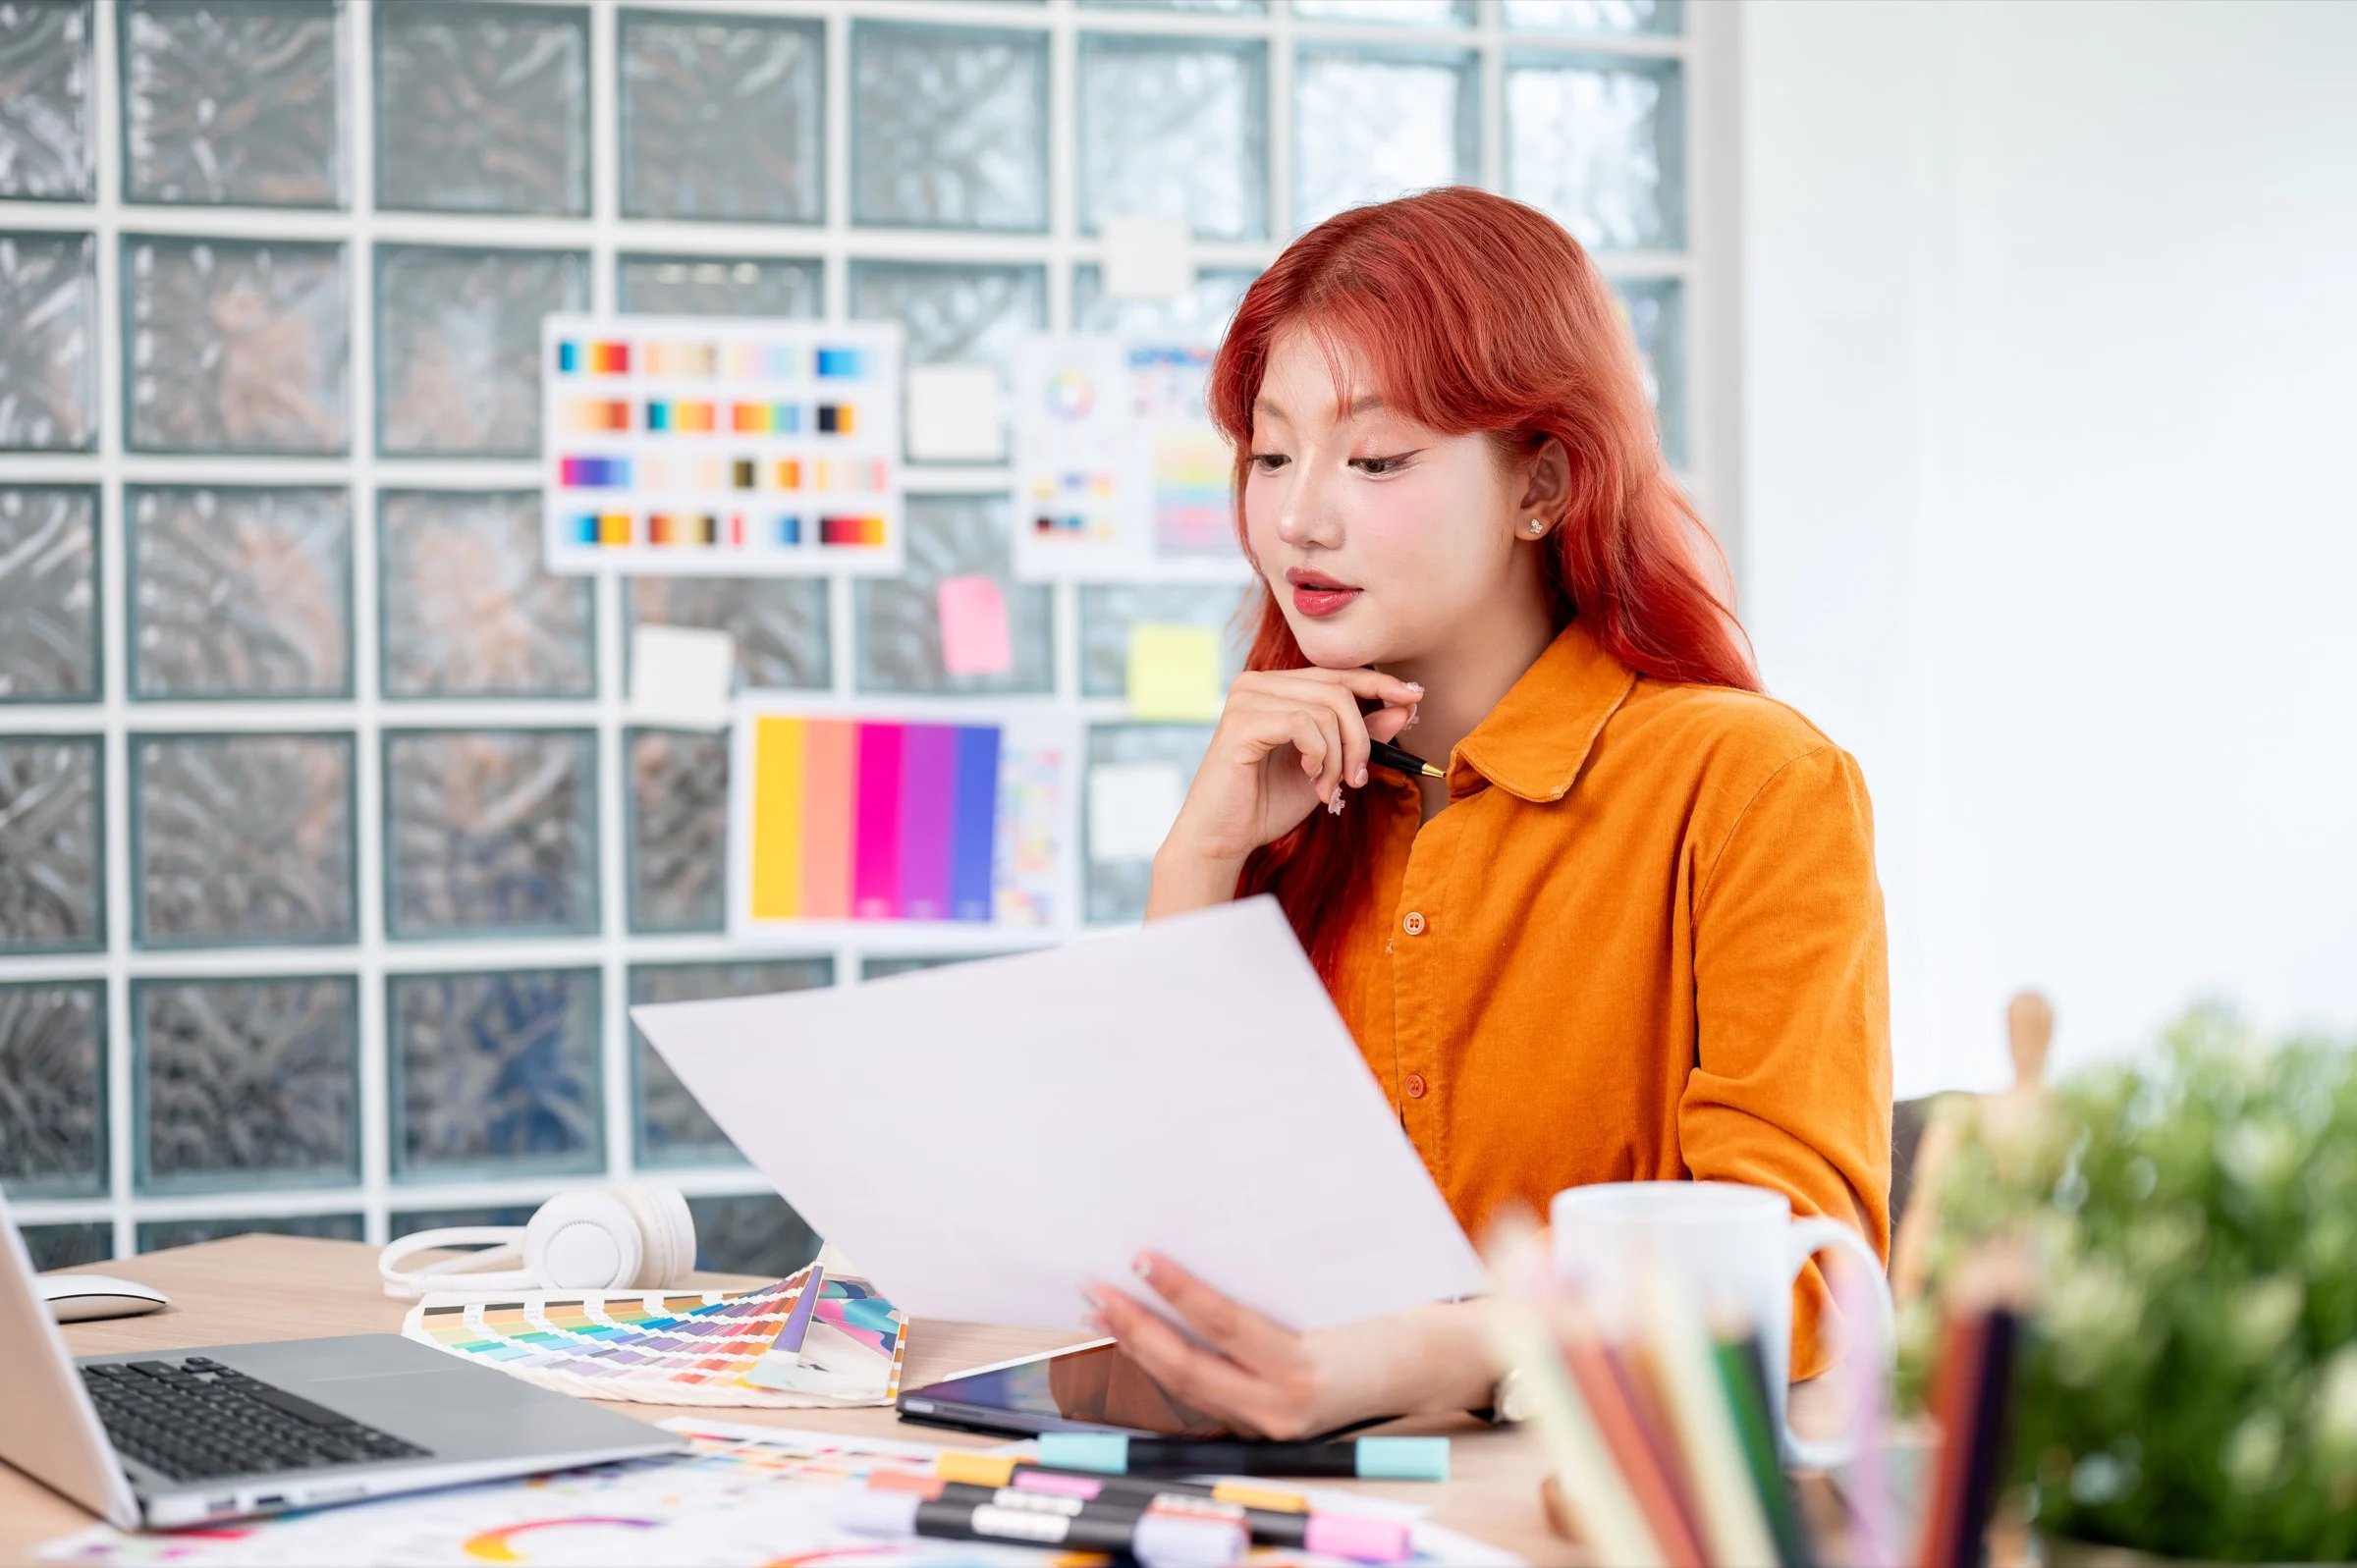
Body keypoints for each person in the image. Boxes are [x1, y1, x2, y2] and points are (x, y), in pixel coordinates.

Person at [1078, 188, 1892, 1438]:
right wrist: (1199, 859)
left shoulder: (1750, 785)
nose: (1299, 515)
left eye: (1377, 458)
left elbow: (1804, 1281)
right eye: (1272, 452)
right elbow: (1162, 1249)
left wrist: (1449, 1352)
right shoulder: (1290, 803)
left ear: (1545, 483)